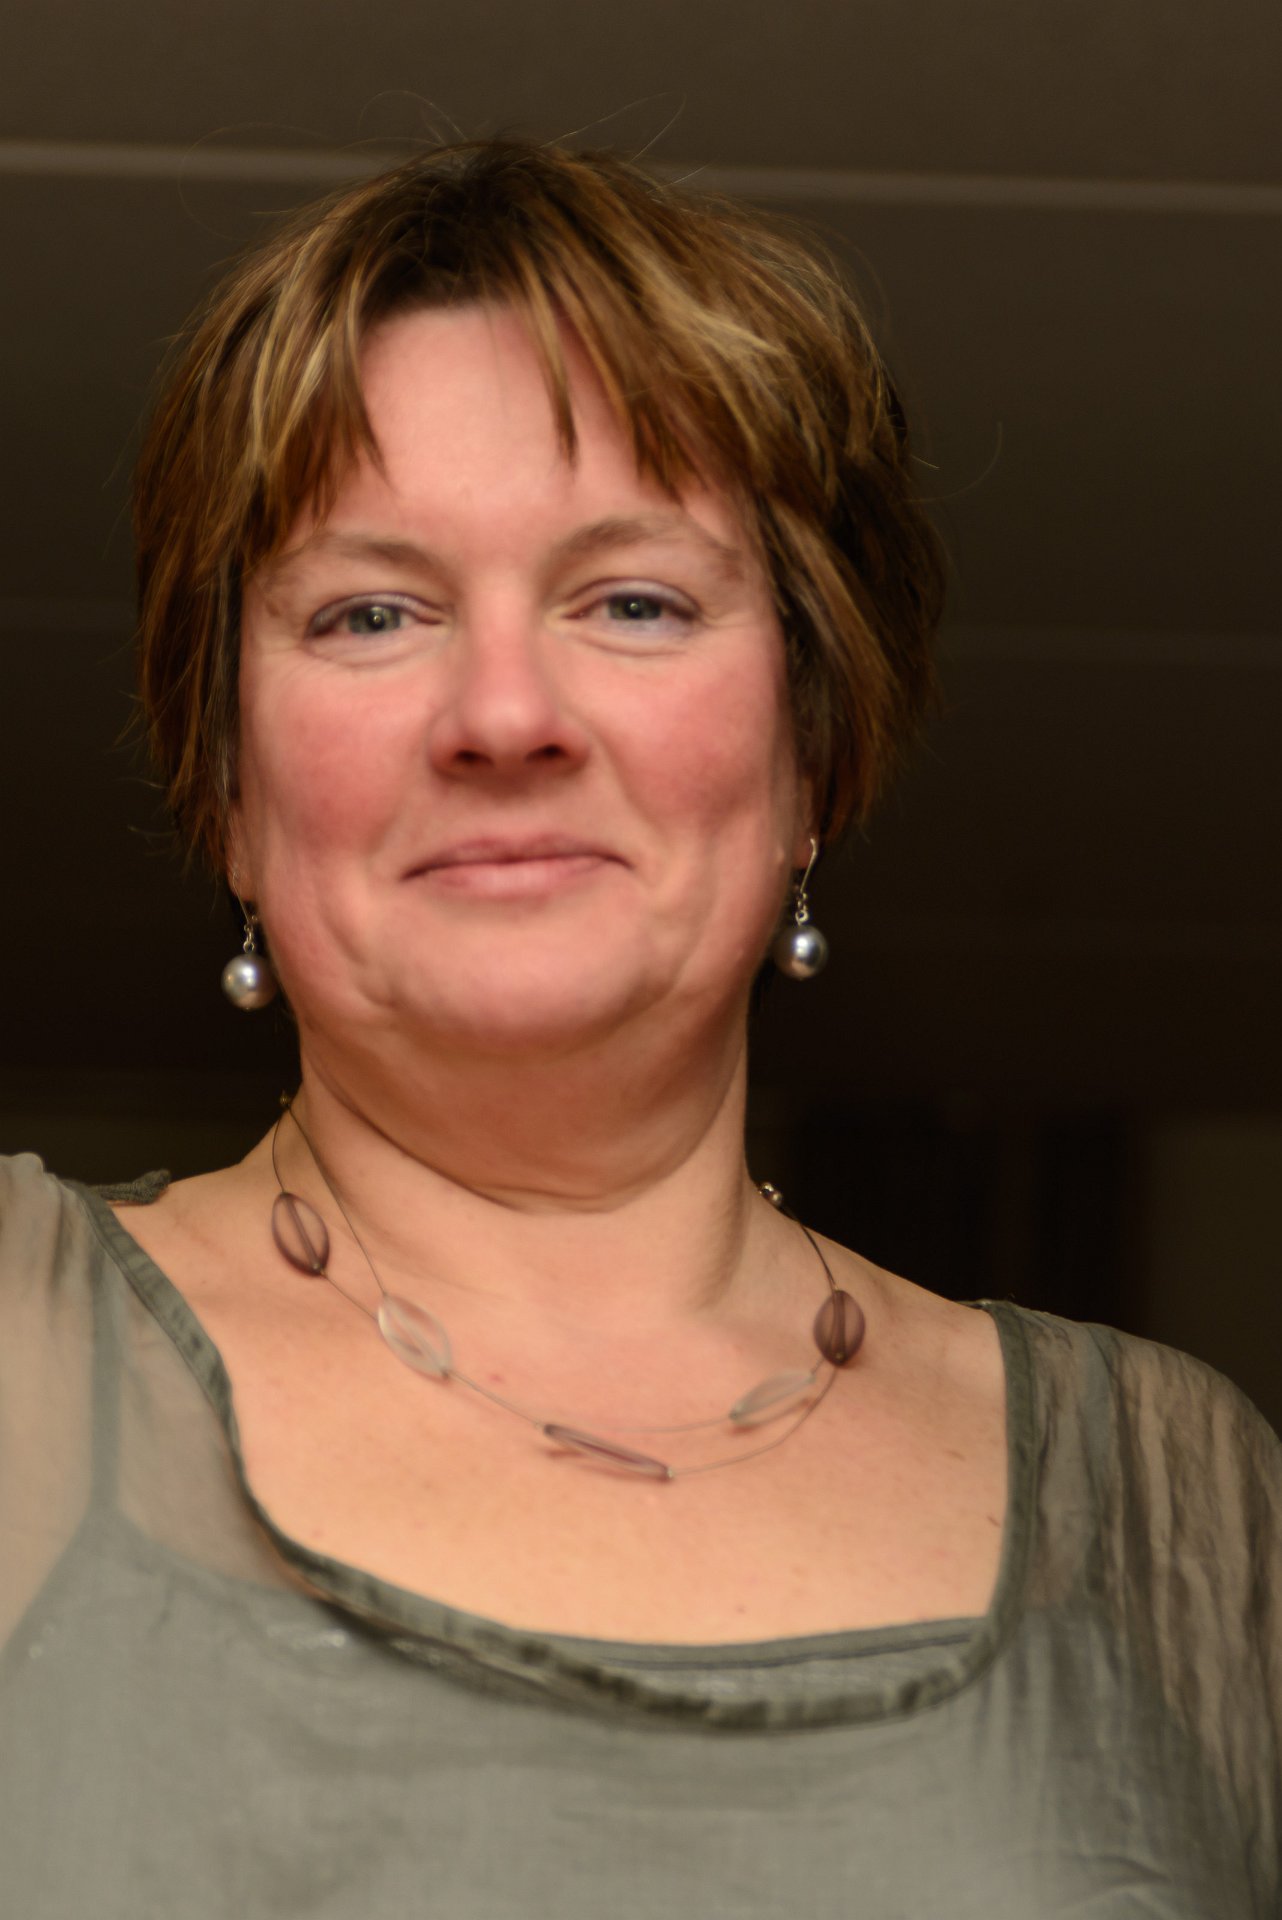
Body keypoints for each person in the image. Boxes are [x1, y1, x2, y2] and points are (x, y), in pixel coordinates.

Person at [0, 139, 1277, 1918]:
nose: (503, 711)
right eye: (371, 612)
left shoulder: (1181, 1507)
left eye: (633, 602)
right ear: (225, 784)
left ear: (811, 750)